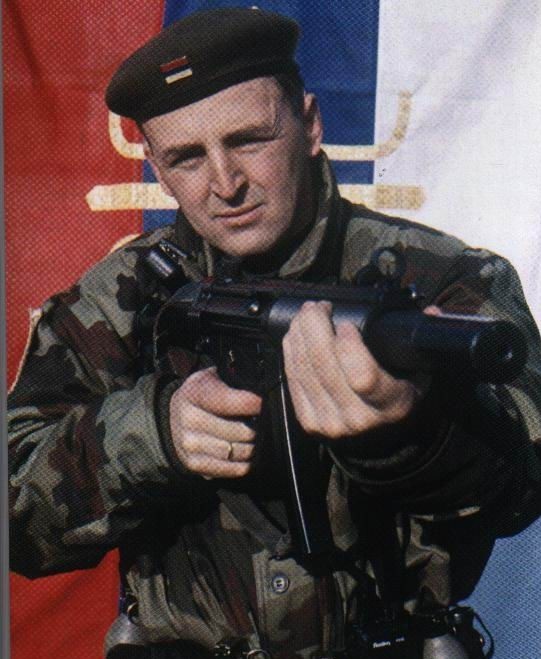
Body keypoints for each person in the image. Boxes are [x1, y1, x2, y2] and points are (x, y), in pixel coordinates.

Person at [8, 7, 541, 659]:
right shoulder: (120, 295)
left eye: (249, 140)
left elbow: (524, 482)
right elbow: (15, 515)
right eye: (186, 158)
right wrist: (154, 434)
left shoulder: (443, 279)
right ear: (156, 168)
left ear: (310, 124)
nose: (225, 184)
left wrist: (407, 434)